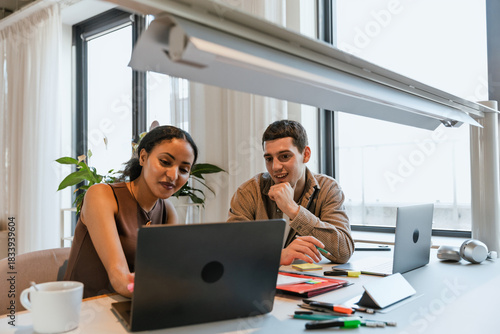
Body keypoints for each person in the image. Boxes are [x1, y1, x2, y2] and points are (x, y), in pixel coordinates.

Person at [64, 126, 198, 298]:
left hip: (133, 306)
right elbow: (120, 279)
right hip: (84, 311)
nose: (173, 175)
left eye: (184, 170)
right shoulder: (101, 196)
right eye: (165, 162)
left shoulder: (168, 211)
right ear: (143, 157)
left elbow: (166, 270)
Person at [228, 120, 354, 265]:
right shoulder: (248, 191)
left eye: (285, 156)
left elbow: (344, 251)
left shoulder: (328, 188)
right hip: (260, 282)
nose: (275, 167)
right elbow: (232, 251)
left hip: (308, 282)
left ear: (306, 155)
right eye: (269, 159)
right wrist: (278, 256)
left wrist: (293, 209)